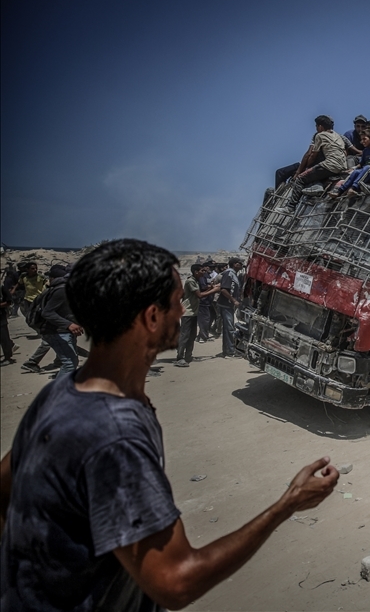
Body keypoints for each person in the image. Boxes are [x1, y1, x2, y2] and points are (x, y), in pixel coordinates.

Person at [0, 239, 339, 610]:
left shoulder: (62, 393)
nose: (182, 311)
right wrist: (286, 505)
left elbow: (7, 485)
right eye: (177, 301)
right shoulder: (114, 435)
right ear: (150, 317)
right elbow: (176, 582)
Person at [277, 115, 353, 197]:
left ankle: (288, 206)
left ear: (320, 126)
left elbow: (310, 154)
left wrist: (301, 171)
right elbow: (346, 152)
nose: (316, 128)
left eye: (316, 126)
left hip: (325, 164)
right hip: (341, 165)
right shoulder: (339, 136)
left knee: (293, 176)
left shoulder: (319, 135)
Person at [175, 264, 217, 367]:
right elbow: (199, 296)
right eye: (202, 271)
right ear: (196, 272)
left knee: (192, 335)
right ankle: (180, 358)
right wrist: (214, 290)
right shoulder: (191, 281)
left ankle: (188, 356)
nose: (204, 272)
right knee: (185, 335)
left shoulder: (195, 281)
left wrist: (210, 289)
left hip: (193, 312)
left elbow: (199, 293)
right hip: (187, 312)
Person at [330, 130, 370, 197]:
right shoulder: (365, 151)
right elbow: (361, 164)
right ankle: (340, 191)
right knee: (356, 172)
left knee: (367, 168)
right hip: (366, 173)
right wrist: (353, 168)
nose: (362, 141)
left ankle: (354, 188)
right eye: (361, 139)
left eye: (364, 139)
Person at [216, 258, 244, 358]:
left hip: (228, 305)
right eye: (239, 263)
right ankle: (230, 351)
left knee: (228, 328)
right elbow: (223, 290)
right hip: (226, 305)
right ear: (234, 264)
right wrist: (234, 300)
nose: (241, 265)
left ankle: (227, 350)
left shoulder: (233, 274)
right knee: (229, 328)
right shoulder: (229, 274)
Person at [0, 282, 15, 365]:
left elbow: (9, 302)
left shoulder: (2, 288)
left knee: (4, 338)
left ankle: (8, 357)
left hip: (1, 317)